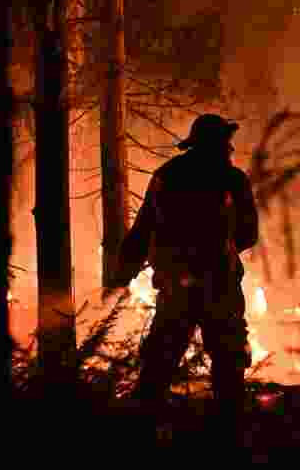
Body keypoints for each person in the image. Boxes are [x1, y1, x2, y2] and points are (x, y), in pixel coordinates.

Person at [107, 113, 259, 422]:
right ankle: (229, 430)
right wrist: (223, 253)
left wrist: (125, 271)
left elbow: (143, 228)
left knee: (161, 359)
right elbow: (248, 233)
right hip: (218, 286)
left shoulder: (168, 175)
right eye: (225, 143)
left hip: (179, 284)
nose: (228, 148)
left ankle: (145, 425)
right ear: (218, 144)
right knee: (228, 360)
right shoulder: (232, 179)